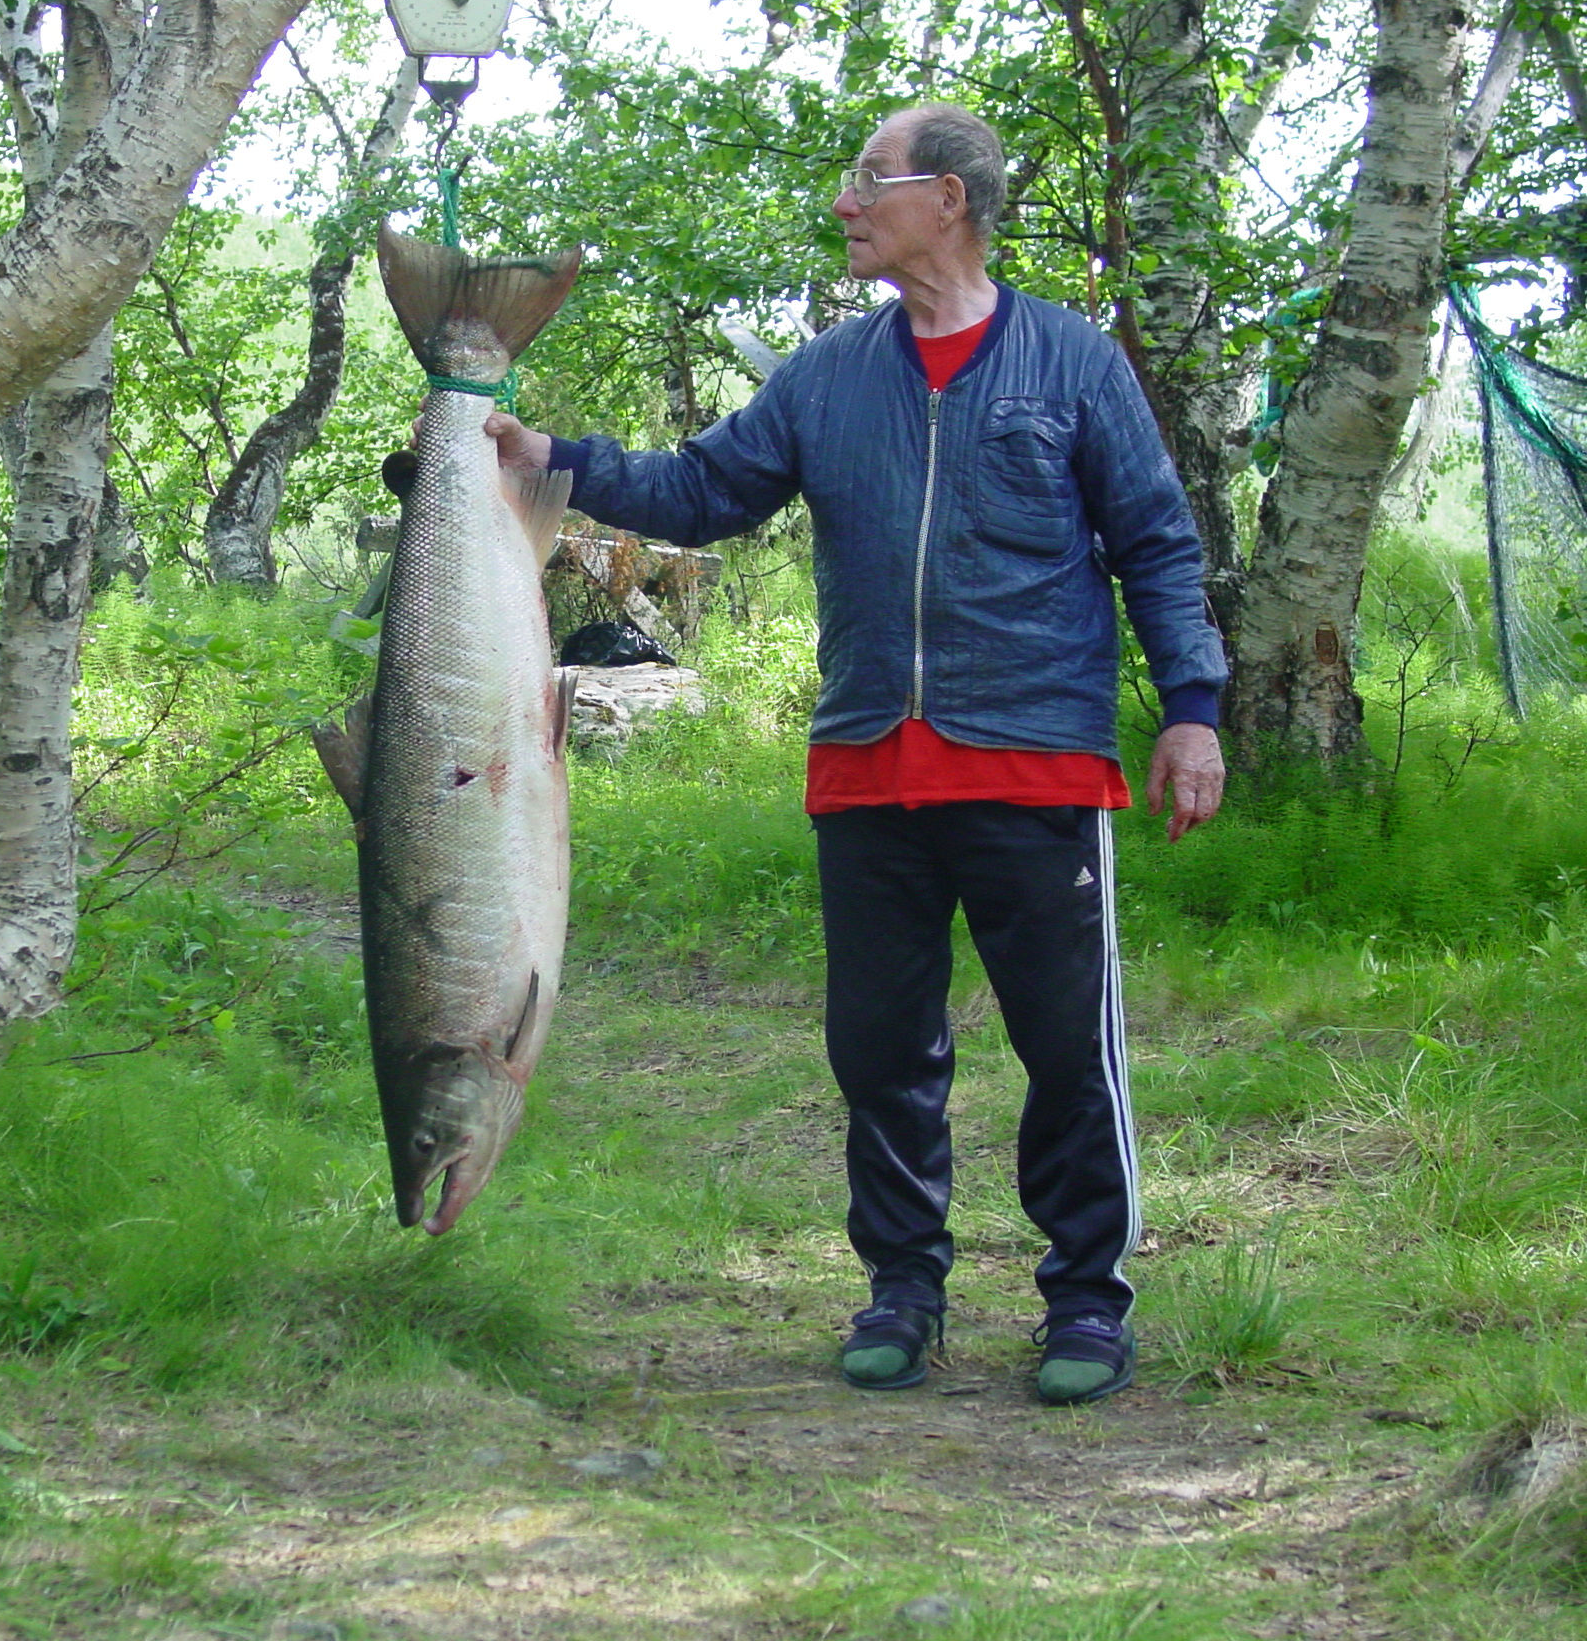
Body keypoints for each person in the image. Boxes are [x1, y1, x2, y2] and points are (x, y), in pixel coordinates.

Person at [484, 102, 1227, 1405]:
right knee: (880, 1053)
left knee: (1067, 1049)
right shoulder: (829, 376)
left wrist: (1192, 707)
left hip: (1035, 765)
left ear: (947, 198)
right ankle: (903, 1293)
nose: (846, 202)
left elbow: (1158, 546)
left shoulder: (1069, 364)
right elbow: (707, 490)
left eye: (867, 181)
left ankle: (1087, 1304)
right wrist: (556, 461)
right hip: (869, 773)